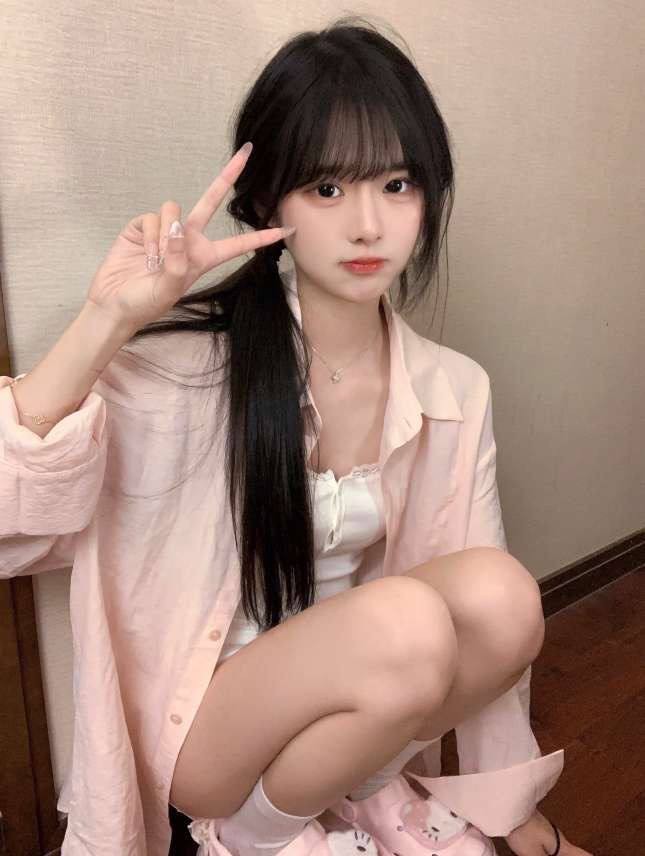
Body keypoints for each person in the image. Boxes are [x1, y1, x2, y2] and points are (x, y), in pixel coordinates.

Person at [1, 15, 585, 856]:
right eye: (326, 189)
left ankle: (360, 793)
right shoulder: (183, 370)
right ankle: (254, 835)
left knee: (503, 597)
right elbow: (11, 534)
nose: (367, 226)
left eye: (396, 185)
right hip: (210, 730)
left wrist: (515, 815)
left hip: (363, 691)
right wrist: (106, 320)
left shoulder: (452, 388)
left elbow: (481, 616)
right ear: (267, 201)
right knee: (408, 625)